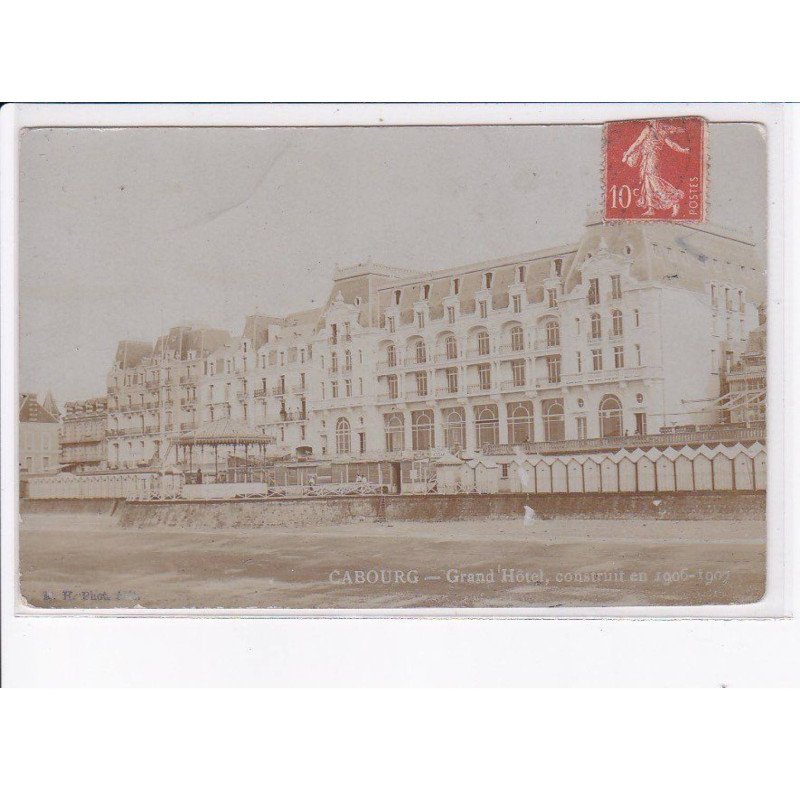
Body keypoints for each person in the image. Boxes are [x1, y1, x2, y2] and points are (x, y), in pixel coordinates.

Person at [622, 120, 690, 217]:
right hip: (650, 158)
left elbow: (637, 142)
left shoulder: (648, 130)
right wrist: (682, 150)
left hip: (651, 158)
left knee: (654, 182)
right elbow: (671, 144)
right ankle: (651, 209)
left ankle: (673, 203)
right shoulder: (661, 131)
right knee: (647, 183)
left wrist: (627, 155)